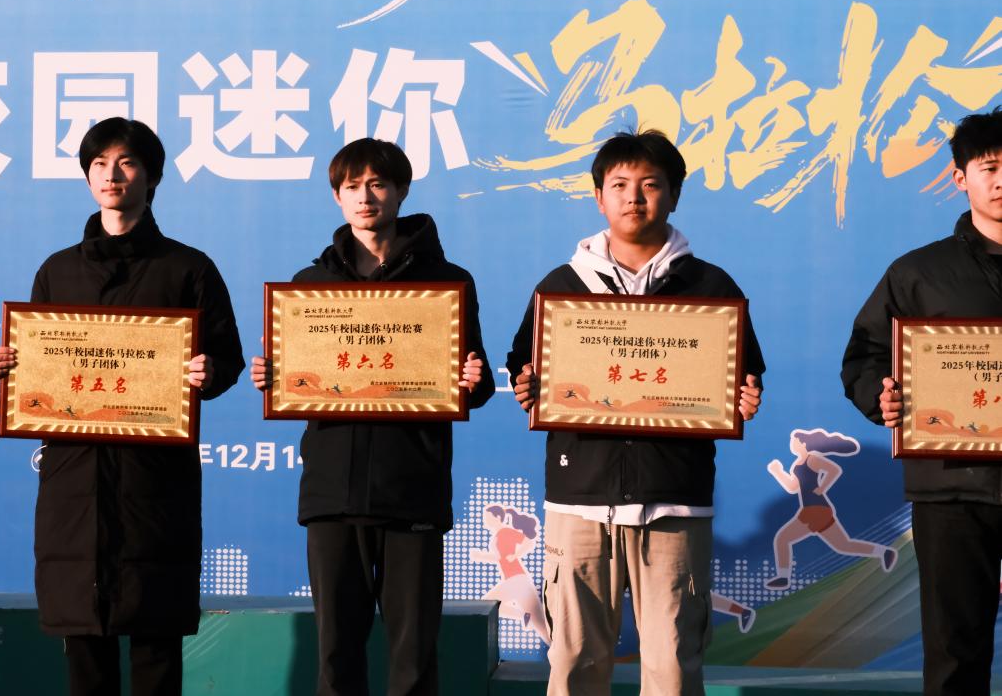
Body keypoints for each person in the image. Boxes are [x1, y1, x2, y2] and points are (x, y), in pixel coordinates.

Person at [0, 118, 243, 696]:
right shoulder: (58, 270)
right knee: (84, 645)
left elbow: (226, 358)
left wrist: (209, 372)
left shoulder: (188, 268)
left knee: (155, 644)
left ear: (152, 177)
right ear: (87, 176)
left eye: (126, 162)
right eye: (99, 163)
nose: (112, 174)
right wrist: (12, 367)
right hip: (73, 478)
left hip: (154, 478)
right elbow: (39, 366)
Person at [507, 129, 764, 696]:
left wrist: (744, 395)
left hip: (674, 499)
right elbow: (525, 366)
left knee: (673, 666)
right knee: (574, 662)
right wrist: (526, 385)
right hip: (579, 500)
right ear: (598, 196)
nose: (634, 197)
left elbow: (744, 374)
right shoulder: (563, 286)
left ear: (674, 195)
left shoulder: (709, 286)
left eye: (650, 185)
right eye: (619, 185)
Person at [250, 137, 495, 696]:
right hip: (331, 494)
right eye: (352, 186)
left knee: (413, 659)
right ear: (336, 196)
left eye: (378, 184)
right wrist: (275, 380)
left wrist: (473, 381)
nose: (365, 197)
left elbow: (474, 385)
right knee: (336, 657)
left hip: (412, 491)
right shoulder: (309, 288)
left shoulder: (447, 283)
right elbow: (297, 383)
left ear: (401, 191)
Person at [841, 106, 1002, 696]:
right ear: (961, 178)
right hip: (950, 485)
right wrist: (879, 397)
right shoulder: (919, 273)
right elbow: (865, 357)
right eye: (989, 168)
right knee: (955, 651)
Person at [764, 428, 896, 590]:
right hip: (814, 509)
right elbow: (792, 487)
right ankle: (884, 552)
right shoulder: (797, 465)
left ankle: (784, 577)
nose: (792, 444)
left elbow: (834, 470)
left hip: (816, 510)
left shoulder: (812, 459)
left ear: (803, 444)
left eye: (795, 441)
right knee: (843, 546)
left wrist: (822, 488)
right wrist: (778, 472)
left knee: (783, 538)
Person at [470, 504, 550, 645]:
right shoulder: (498, 535)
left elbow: (528, 541)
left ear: (497, 517)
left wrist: (515, 555)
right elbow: (499, 558)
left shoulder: (505, 532)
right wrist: (481, 556)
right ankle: (526, 616)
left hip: (517, 580)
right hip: (518, 581)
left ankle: (525, 616)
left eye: (488, 517)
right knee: (541, 626)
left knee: (488, 605)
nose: (485, 520)